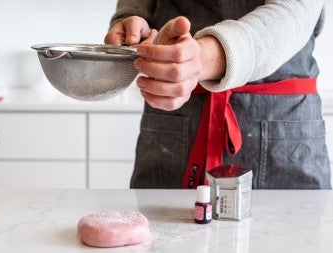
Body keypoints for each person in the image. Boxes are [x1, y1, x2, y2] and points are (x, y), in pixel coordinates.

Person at [104, 0, 331, 189]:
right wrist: (132, 23)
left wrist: (201, 58)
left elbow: (293, 12)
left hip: (282, 126)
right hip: (177, 120)